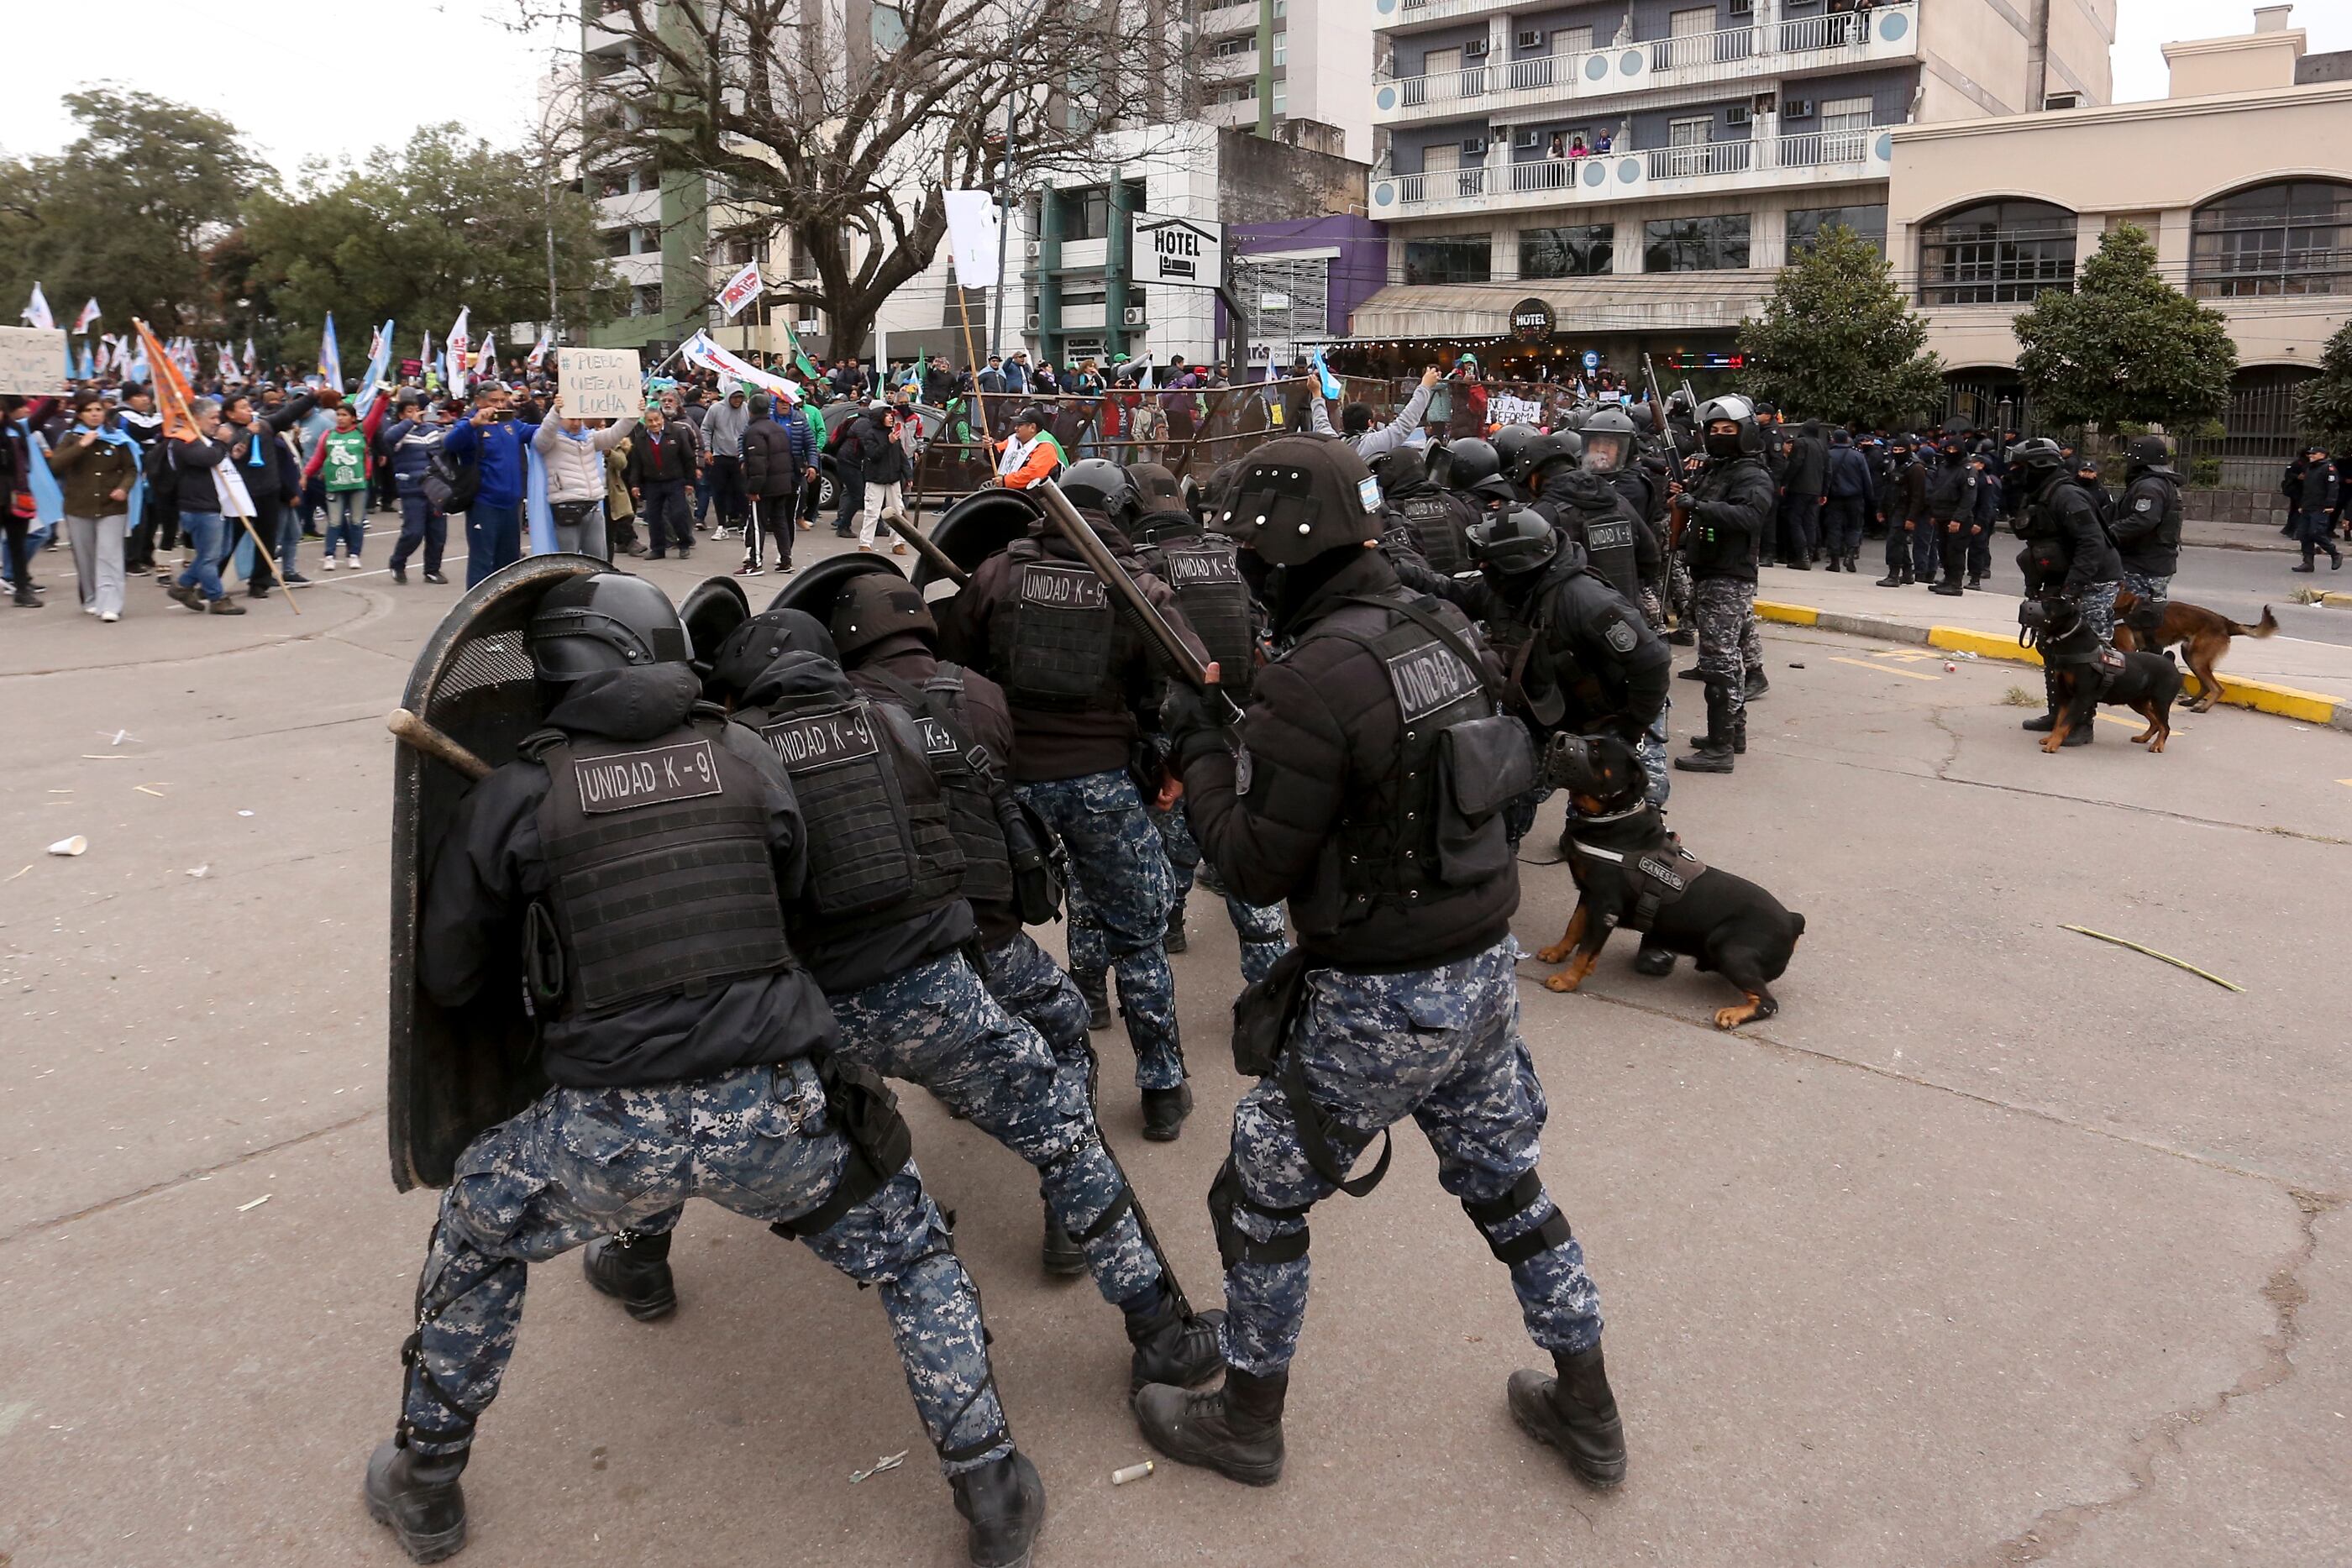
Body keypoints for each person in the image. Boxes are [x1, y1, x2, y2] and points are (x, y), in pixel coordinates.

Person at [367, 574, 1044, 1568]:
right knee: (913, 1255)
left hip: (606, 1132)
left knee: (476, 1230)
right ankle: (992, 1488)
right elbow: (791, 887)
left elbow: (449, 977)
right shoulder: (746, 756)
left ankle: (425, 1481)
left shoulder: (519, 793)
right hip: (775, 1109)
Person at [1135, 436, 1624, 1494]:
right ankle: (1589, 1407)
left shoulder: (1315, 674)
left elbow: (1251, 867)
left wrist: (1200, 744)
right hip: (1478, 972)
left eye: (1254, 552)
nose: (1247, 571)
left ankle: (1246, 1422)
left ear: (1288, 550)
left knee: (1256, 1198)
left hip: (1382, 997)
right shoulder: (1436, 624)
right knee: (1509, 1189)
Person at [937, 480, 1205, 1140]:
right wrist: (1173, 767)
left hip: (1008, 787)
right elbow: (1190, 681)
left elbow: (952, 670)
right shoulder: (1139, 587)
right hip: (1103, 786)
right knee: (1138, 939)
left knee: (989, 939)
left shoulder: (997, 574)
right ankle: (1162, 1086)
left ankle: (986, 1075)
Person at [1672, 396, 1775, 774]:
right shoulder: (1718, 470)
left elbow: (1749, 516)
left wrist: (1698, 506)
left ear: (1744, 432)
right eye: (1713, 430)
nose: (1719, 436)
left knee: (1719, 665)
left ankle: (1721, 747)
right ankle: (1733, 735)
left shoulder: (1752, 474)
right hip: (1708, 570)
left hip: (1728, 576)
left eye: (1727, 430)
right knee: (1725, 661)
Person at [2009, 436, 2123, 742]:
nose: (2014, 472)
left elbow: (2092, 543)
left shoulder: (2068, 496)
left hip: (2092, 580)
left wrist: (2072, 590)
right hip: (2061, 579)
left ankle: (2082, 725)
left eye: (2020, 467)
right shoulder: (2040, 494)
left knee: (2086, 655)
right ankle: (2058, 714)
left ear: (2038, 466)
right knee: (2051, 647)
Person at [45, 391, 139, 621]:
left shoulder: (117, 438)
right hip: (79, 506)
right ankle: (91, 598)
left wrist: (124, 488)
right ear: (80, 414)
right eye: (89, 410)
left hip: (112, 506)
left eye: (98, 409)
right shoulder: (70, 437)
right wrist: (81, 445)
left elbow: (131, 469)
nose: (95, 414)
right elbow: (56, 465)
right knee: (85, 556)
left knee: (110, 555)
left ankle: (111, 604)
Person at [217, 386, 316, 598]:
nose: (248, 410)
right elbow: (235, 453)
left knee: (267, 538)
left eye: (248, 406)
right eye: (242, 407)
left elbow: (289, 413)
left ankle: (260, 582)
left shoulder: (265, 425)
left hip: (269, 491)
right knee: (233, 539)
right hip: (242, 494)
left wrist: (312, 397)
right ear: (230, 414)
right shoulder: (226, 432)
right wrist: (247, 433)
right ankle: (214, 581)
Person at [440, 385, 540, 586]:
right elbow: (450, 443)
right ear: (479, 401)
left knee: (509, 564)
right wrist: (473, 424)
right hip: (485, 504)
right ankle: (477, 605)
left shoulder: (509, 422)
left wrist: (558, 416)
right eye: (494, 401)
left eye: (502, 400)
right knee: (482, 563)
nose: (500, 405)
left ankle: (505, 604)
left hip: (511, 505)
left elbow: (535, 431)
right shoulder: (470, 424)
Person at [533, 394, 638, 559]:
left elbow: (615, 434)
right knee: (569, 561)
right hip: (566, 508)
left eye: (579, 418)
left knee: (598, 560)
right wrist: (555, 410)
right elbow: (543, 438)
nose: (576, 423)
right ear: (560, 418)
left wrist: (633, 414)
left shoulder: (589, 437)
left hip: (593, 506)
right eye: (571, 418)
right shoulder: (550, 440)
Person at [165, 398, 243, 616]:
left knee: (219, 552)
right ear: (196, 419)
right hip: (198, 506)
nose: (217, 422)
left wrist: (227, 450)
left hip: (216, 504)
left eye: (218, 417)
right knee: (209, 556)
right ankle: (217, 598)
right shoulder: (184, 440)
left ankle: (183, 585)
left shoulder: (203, 439)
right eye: (213, 418)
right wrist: (222, 443)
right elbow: (207, 458)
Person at [380, 397, 450, 585]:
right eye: (409, 411)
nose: (415, 414)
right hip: (411, 489)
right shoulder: (399, 433)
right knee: (413, 532)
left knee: (438, 534)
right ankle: (397, 563)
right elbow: (388, 438)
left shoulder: (433, 430)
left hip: (436, 490)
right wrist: (410, 422)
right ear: (401, 415)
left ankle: (432, 570)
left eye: (417, 410)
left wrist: (450, 422)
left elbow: (451, 442)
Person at [737, 391, 805, 575]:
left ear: (751, 410)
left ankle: (755, 562)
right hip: (782, 483)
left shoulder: (754, 431)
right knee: (780, 522)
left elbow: (757, 463)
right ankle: (785, 560)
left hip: (765, 485)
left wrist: (753, 488)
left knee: (757, 524)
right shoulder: (779, 429)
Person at [1312, 365, 1439, 461]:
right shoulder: (1374, 443)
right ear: (1370, 423)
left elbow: (1320, 422)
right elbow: (1406, 422)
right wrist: (1425, 386)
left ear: (1343, 424)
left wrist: (1316, 393)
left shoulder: (1331, 443)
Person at [625, 406, 698, 560]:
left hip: (675, 480)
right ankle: (658, 549)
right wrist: (635, 484)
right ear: (645, 422)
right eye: (650, 421)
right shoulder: (641, 438)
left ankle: (684, 543)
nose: (654, 424)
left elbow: (688, 458)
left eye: (656, 420)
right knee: (654, 517)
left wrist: (690, 481)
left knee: (678, 513)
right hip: (653, 483)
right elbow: (636, 464)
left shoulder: (676, 433)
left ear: (662, 419)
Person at [848, 401, 911, 554]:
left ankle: (898, 543)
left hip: (893, 479)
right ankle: (865, 543)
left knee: (897, 512)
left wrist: (908, 475)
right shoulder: (870, 434)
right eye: (887, 415)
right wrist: (888, 442)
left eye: (891, 415)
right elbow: (873, 455)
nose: (891, 418)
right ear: (879, 417)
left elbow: (902, 456)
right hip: (875, 479)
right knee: (872, 512)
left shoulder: (894, 433)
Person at [315, 403, 373, 570]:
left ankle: (354, 554)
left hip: (357, 484)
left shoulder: (361, 433)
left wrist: (383, 398)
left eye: (344, 415)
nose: (340, 418)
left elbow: (374, 416)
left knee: (356, 521)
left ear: (353, 418)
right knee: (334, 522)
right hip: (335, 485)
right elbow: (319, 457)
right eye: (338, 415)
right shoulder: (329, 435)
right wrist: (306, 474)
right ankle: (329, 555)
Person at [1925, 429, 1978, 597]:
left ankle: (1955, 583)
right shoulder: (1943, 467)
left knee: (1955, 551)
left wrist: (1958, 519)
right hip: (1942, 515)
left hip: (1957, 519)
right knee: (1943, 550)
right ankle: (1947, 579)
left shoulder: (1967, 470)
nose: (1951, 452)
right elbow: (1937, 491)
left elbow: (1968, 498)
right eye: (1948, 449)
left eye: (1954, 449)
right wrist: (1934, 513)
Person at [1874, 433, 1928, 587]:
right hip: (1892, 508)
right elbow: (1887, 489)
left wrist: (1912, 518)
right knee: (1899, 541)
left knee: (1894, 542)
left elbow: (1918, 496)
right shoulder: (1893, 465)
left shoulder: (1916, 468)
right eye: (1895, 450)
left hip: (1905, 511)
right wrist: (1881, 509)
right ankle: (1907, 573)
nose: (1897, 453)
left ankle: (1893, 575)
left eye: (1901, 450)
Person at [700, 386, 751, 538]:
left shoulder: (747, 409)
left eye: (740, 397)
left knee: (742, 492)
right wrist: (707, 449)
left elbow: (751, 430)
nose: (738, 400)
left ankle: (744, 524)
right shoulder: (716, 409)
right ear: (728, 396)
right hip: (720, 456)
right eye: (735, 397)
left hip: (740, 457)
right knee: (719, 492)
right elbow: (706, 429)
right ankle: (721, 525)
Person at [1820, 427, 1872, 574]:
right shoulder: (1858, 456)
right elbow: (1866, 478)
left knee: (1834, 528)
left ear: (1834, 440)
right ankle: (1850, 555)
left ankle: (1834, 561)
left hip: (1834, 497)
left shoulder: (1829, 455)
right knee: (1855, 527)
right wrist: (1870, 497)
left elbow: (1824, 476)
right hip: (1855, 498)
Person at [1777, 420, 1827, 569]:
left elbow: (1795, 463)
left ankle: (1802, 555)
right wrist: (1824, 491)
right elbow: (1828, 470)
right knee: (1810, 522)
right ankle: (1809, 555)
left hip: (1799, 488)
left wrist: (1785, 482)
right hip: (1816, 489)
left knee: (1795, 520)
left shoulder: (1801, 443)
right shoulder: (1822, 445)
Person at [2287, 444, 2341, 573]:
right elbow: (2307, 489)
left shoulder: (2328, 468)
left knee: (2316, 532)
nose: (2310, 456)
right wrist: (2302, 505)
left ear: (2322, 455)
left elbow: (2333, 488)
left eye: (2314, 454)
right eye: (2310, 454)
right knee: (2303, 534)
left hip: (2320, 507)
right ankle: (2308, 563)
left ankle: (2335, 554)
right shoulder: (2310, 468)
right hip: (2308, 506)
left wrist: (2330, 505)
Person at [994, 406, 1063, 490]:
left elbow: (1033, 474)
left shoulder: (1046, 446)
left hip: (1045, 494)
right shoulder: (1017, 439)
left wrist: (1005, 481)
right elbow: (999, 452)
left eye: (1020, 425)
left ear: (1032, 428)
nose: (1016, 428)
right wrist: (989, 447)